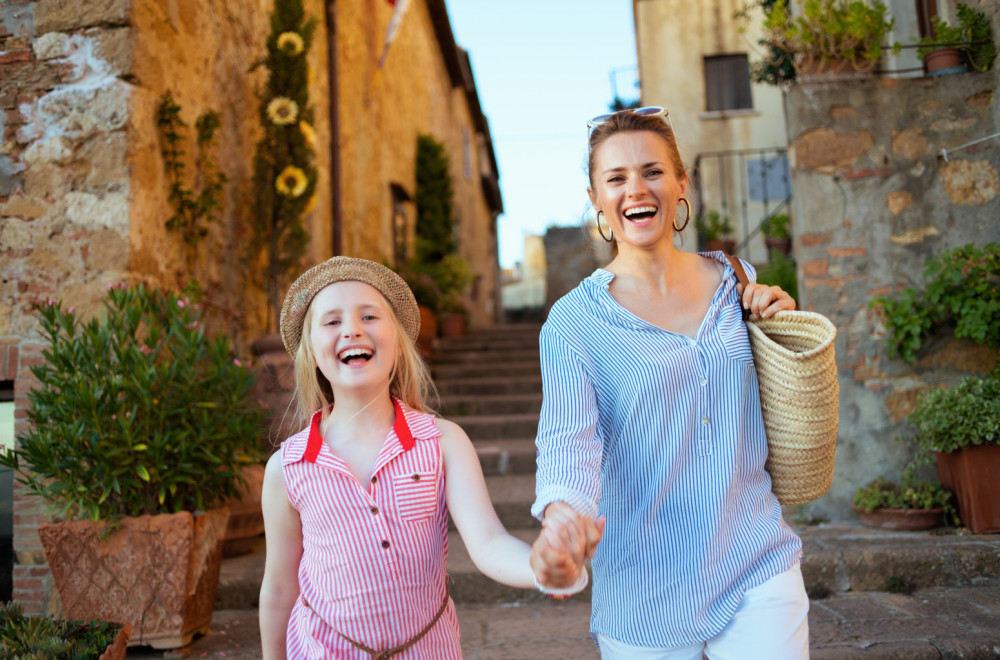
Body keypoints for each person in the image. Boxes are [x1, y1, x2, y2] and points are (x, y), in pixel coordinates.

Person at [528, 108, 808, 659]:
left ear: (682, 184)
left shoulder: (739, 280)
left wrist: (783, 321)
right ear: (596, 198)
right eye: (616, 177)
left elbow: (778, 389)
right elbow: (569, 439)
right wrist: (563, 517)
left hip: (755, 558)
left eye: (653, 171)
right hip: (644, 585)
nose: (637, 188)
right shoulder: (573, 322)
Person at [259, 256, 596, 659]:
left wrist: (541, 566)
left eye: (369, 316)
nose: (351, 329)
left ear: (399, 344)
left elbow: (489, 542)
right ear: (311, 353)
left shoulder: (443, 442)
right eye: (332, 322)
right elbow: (279, 587)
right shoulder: (287, 468)